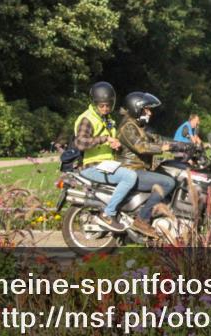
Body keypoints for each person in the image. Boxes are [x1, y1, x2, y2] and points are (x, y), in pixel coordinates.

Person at [118, 91, 191, 236]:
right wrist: (166, 147)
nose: (150, 113)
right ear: (136, 108)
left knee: (172, 175)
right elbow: (141, 146)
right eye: (147, 109)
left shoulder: (137, 125)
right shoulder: (127, 127)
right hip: (131, 170)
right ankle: (142, 219)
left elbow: (157, 139)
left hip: (140, 169)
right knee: (167, 183)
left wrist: (181, 144)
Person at [73, 82, 137, 233]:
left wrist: (115, 144)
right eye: (102, 105)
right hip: (91, 166)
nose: (105, 108)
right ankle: (108, 214)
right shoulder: (87, 119)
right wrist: (105, 139)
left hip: (106, 165)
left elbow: (109, 142)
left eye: (108, 105)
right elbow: (81, 143)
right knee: (130, 177)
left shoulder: (107, 120)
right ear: (94, 104)